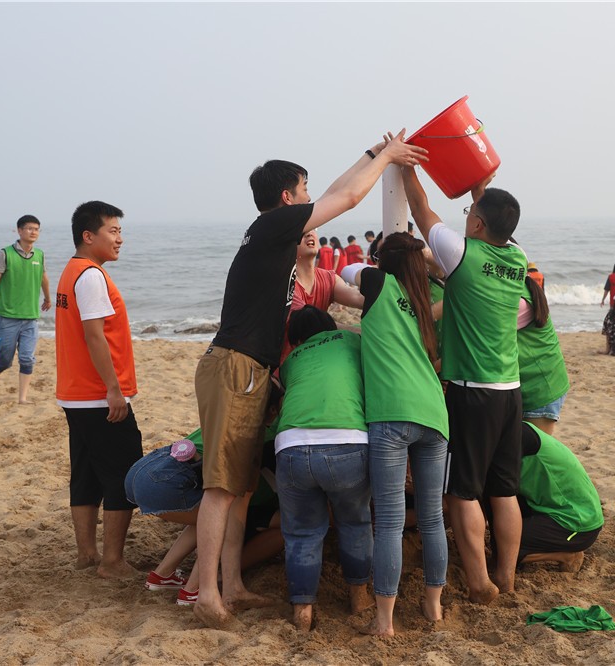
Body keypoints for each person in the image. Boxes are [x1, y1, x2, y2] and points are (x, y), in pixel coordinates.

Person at [191, 131, 427, 628]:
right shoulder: (277, 225)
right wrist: (386, 157)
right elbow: (345, 198)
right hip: (236, 365)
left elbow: (336, 192)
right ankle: (207, 592)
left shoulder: (270, 232)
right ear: (286, 198)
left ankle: (230, 583)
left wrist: (371, 154)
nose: (307, 198)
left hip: (248, 369)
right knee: (221, 486)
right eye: (302, 189)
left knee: (239, 485)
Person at [402, 166, 525, 605]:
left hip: (472, 392)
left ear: (475, 225)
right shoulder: (517, 258)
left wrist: (406, 168)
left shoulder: (461, 254)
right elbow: (494, 219)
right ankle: (506, 577)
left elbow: (420, 209)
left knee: (463, 491)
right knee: (504, 489)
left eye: (471, 211)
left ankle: (478, 581)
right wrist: (479, 190)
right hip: (511, 390)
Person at [342, 232, 450, 636]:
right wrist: (429, 262)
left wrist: (369, 264)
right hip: (434, 414)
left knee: (388, 521)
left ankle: (385, 621)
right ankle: (433, 606)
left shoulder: (377, 283)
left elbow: (347, 270)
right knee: (432, 518)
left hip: (391, 413)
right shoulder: (423, 303)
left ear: (382, 260)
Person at [54, 201, 142, 579]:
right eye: (113, 231)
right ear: (88, 236)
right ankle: (112, 562)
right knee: (123, 472)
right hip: (97, 395)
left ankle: (87, 554)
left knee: (86, 474)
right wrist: (114, 389)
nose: (120, 238)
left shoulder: (71, 271)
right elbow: (94, 336)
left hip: (75, 393)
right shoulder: (90, 276)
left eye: (120, 231)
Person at [274, 307, 372, 631]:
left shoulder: (291, 360)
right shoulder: (350, 340)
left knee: (301, 533)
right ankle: (359, 597)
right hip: (347, 441)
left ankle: (302, 613)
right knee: (355, 522)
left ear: (298, 339)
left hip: (290, 446)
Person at [125, 423, 283, 606]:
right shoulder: (267, 440)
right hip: (171, 478)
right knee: (220, 520)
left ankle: (162, 575)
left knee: (205, 515)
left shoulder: (241, 415)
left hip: (148, 466)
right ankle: (193, 589)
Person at [487, 422, 603, 573]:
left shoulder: (515, 440)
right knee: (500, 531)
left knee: (505, 550)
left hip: (578, 524)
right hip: (553, 507)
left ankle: (566, 555)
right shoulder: (513, 430)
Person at [0, 215, 50, 403]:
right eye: (29, 228)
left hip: (30, 318)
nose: (33, 232)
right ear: (19, 230)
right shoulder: (5, 254)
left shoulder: (40, 255)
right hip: (7, 317)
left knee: (27, 358)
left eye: (36, 229)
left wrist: (48, 298)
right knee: (4, 360)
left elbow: (44, 277)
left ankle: (22, 398)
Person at [278, 229, 364, 365]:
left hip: (318, 356)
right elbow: (312, 325)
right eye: (302, 231)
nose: (309, 234)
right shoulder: (284, 283)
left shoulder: (328, 277)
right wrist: (362, 333)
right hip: (288, 365)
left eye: (313, 229)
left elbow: (358, 298)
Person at [516, 266, 569, 436]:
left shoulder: (519, 302)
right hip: (538, 384)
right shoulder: (524, 287)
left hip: (541, 388)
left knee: (536, 453)